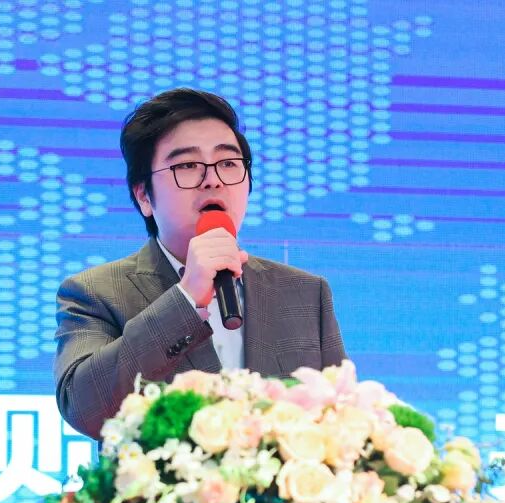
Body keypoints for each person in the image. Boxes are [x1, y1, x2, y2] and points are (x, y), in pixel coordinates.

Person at [54, 88, 346, 439]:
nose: (213, 180)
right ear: (143, 195)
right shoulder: (96, 292)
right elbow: (84, 409)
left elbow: (341, 422)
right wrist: (186, 299)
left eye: (228, 163)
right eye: (187, 166)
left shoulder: (305, 293)